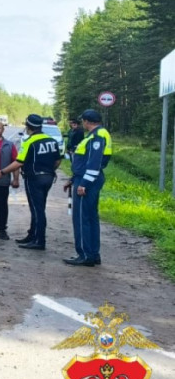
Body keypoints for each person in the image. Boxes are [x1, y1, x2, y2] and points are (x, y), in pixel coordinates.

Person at [0, 114, 62, 250]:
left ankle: (39, 241)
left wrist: (2, 172)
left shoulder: (30, 141)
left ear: (28, 126)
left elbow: (19, 162)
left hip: (34, 178)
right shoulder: (51, 140)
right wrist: (50, 170)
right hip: (48, 177)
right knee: (39, 207)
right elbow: (58, 160)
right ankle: (32, 235)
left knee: (37, 210)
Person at [63, 109, 112, 267]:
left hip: (88, 180)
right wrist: (73, 179)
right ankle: (93, 253)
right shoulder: (98, 134)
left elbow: (94, 162)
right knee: (91, 218)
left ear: (86, 121)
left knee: (82, 218)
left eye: (83, 121)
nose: (82, 124)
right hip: (86, 178)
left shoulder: (97, 136)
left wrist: (84, 183)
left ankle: (84, 254)